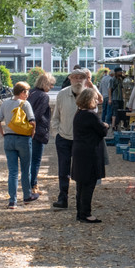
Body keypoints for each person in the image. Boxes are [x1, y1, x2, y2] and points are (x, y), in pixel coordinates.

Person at [50, 68, 97, 209]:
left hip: (82, 141)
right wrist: (56, 134)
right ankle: (62, 198)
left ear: (85, 80)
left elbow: (93, 116)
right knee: (63, 170)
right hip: (64, 137)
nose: (77, 80)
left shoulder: (89, 94)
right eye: (75, 77)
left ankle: (79, 201)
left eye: (81, 77)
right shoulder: (62, 94)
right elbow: (55, 116)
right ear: (70, 79)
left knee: (81, 171)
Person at [0, 80, 36, 210]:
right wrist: (32, 133)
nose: (28, 94)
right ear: (23, 92)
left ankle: (12, 201)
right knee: (25, 169)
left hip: (9, 139)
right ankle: (27, 195)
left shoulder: (5, 104)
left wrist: (3, 134)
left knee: (12, 171)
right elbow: (32, 121)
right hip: (23, 139)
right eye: (27, 91)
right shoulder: (25, 104)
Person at [71, 86, 108, 223]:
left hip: (79, 151)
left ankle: (80, 212)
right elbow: (102, 131)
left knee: (81, 184)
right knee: (89, 184)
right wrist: (106, 126)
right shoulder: (91, 115)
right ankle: (86, 213)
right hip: (90, 153)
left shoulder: (78, 113)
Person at [28, 73, 54, 200]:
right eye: (51, 84)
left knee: (28, 159)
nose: (52, 87)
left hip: (26, 130)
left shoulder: (31, 93)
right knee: (36, 160)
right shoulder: (43, 96)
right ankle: (33, 185)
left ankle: (31, 184)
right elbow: (37, 114)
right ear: (45, 84)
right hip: (38, 130)